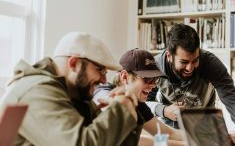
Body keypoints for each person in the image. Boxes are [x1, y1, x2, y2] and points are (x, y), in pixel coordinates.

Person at [0, 32, 141, 145]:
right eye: (100, 70)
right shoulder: (36, 91)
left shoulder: (76, 95)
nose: (104, 80)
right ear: (74, 64)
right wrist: (121, 108)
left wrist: (130, 108)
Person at [146, 23, 235, 141]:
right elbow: (144, 104)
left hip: (205, 127)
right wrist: (164, 110)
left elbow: (232, 100)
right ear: (169, 56)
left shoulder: (210, 63)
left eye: (195, 60)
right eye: (184, 62)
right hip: (169, 130)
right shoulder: (155, 66)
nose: (190, 68)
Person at [93, 48, 184, 146]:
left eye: (155, 80)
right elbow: (131, 142)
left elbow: (169, 133)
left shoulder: (136, 101)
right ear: (124, 77)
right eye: (148, 79)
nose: (153, 85)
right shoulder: (104, 94)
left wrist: (199, 136)